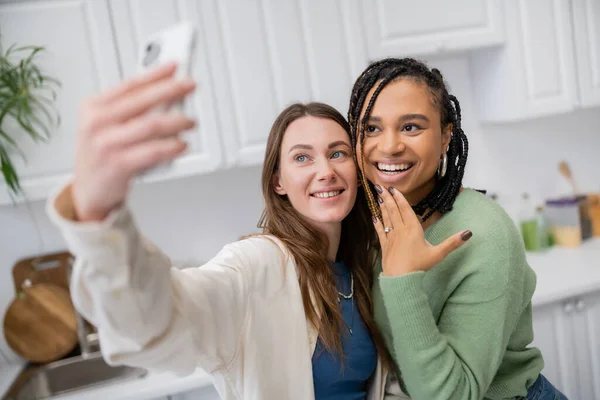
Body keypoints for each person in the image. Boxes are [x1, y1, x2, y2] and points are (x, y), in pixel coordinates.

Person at [46, 62, 468, 399]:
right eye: (302, 158)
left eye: (337, 153)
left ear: (356, 171)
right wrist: (101, 219)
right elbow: (160, 325)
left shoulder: (360, 267)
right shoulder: (257, 266)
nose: (325, 171)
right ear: (278, 182)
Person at [346, 57, 568, 400]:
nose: (389, 146)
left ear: (446, 136)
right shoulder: (369, 218)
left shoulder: (485, 232)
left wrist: (403, 279)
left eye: (411, 127)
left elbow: (454, 395)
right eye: (372, 129)